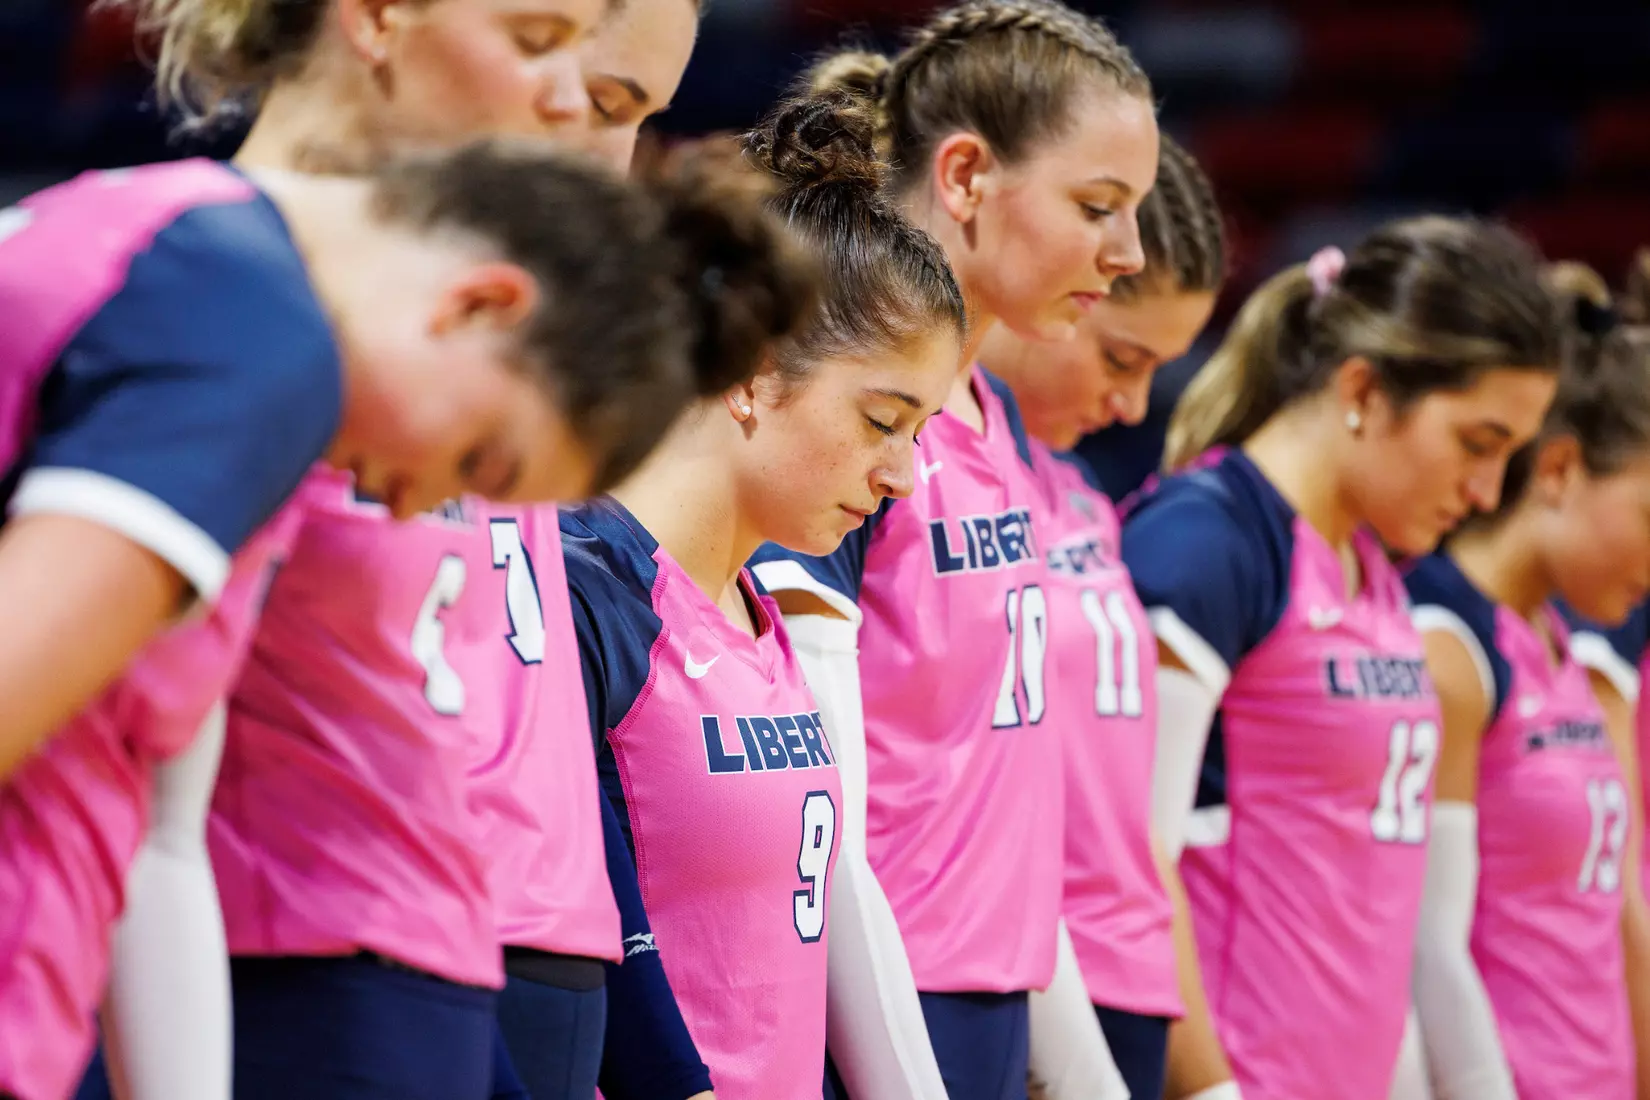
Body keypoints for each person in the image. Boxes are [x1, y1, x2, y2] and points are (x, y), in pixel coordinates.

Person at [0, 134, 804, 1100]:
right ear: (482, 306)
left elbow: (146, 809)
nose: (426, 508)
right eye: (480, 464)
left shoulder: (168, 238)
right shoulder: (253, 335)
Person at [749, 5, 1160, 1096]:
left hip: (993, 1001)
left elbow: (1009, 807)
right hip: (868, 1012)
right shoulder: (845, 414)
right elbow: (818, 812)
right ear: (968, 175)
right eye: (1099, 206)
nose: (1126, 254)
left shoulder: (996, 419)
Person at [568, 96, 965, 1100]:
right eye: (884, 419)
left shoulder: (768, 613)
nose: (903, 475)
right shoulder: (593, 589)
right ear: (752, 372)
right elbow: (598, 938)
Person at [1125, 217, 1564, 1100]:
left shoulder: (1378, 571)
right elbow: (1128, 869)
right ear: (1362, 387)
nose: (1485, 493)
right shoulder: (1209, 542)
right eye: (1478, 445)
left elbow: (1372, 928)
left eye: (1509, 459)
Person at [974, 133, 1225, 1100]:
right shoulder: (920, 475)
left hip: (1135, 982)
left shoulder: (1080, 491)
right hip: (1021, 981)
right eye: (1122, 357)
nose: (1132, 405)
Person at [1402, 287, 1650, 1100]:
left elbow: (1609, 920)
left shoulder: (1559, 641)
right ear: (1559, 468)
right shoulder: (1444, 641)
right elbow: (1422, 945)